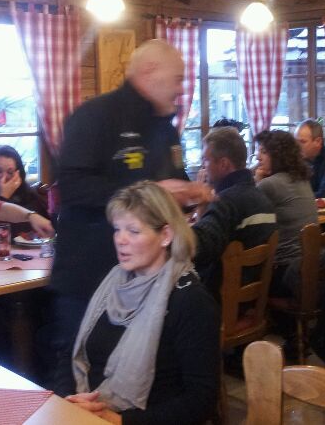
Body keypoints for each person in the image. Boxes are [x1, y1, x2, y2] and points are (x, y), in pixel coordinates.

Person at [50, 39, 212, 394]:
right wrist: (153, 190)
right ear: (150, 71)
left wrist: (189, 195)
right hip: (89, 273)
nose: (182, 88)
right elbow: (73, 187)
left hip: (147, 279)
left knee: (145, 377)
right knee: (79, 370)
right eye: (178, 78)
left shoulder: (164, 127)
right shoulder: (96, 115)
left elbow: (166, 193)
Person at [66, 181, 219, 424]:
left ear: (166, 235)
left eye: (133, 231)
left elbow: (202, 400)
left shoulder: (190, 301)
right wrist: (71, 401)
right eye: (117, 229)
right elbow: (75, 354)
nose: (120, 240)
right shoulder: (112, 283)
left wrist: (120, 421)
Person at [192, 127, 277, 294]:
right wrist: (202, 206)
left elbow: (198, 250)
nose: (203, 167)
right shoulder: (262, 198)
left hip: (220, 299)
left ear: (224, 164)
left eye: (206, 160)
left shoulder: (226, 202)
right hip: (254, 296)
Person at [253, 129, 317, 297]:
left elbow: (250, 216)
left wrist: (258, 181)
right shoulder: (302, 179)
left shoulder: (269, 184)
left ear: (277, 155)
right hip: (310, 268)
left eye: (263, 152)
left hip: (284, 272)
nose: (258, 157)